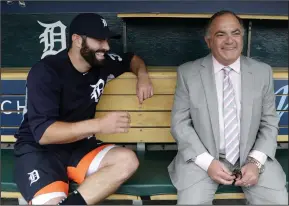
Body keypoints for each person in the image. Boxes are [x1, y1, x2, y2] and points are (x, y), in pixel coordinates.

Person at [14, 13, 153, 205]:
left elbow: (131, 59)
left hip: (79, 147)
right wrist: (99, 125)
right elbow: (44, 134)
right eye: (98, 40)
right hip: (40, 151)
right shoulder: (46, 71)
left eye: (107, 40)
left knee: (127, 160)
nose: (106, 46)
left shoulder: (101, 62)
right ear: (77, 40)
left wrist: (143, 76)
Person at [168, 10, 288, 204]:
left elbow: (269, 123)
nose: (229, 40)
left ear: (243, 37)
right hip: (202, 158)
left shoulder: (262, 72)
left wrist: (256, 162)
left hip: (250, 155)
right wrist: (208, 163)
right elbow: (180, 124)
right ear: (208, 41)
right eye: (220, 34)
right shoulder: (188, 73)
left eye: (235, 33)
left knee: (277, 202)